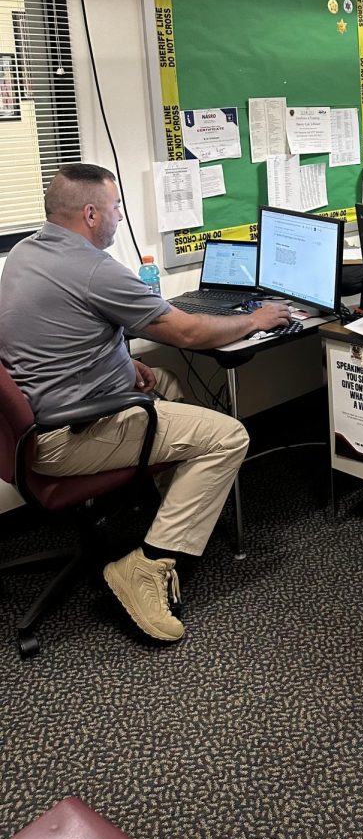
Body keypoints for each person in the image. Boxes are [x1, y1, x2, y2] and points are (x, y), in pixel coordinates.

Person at [0, 163, 294, 645]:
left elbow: (61, 331)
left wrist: (116, 366)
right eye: (116, 208)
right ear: (91, 214)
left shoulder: (27, 252)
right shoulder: (93, 269)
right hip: (67, 434)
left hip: (41, 414)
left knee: (168, 381)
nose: (119, 217)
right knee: (229, 436)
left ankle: (175, 515)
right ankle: (148, 566)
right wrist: (257, 318)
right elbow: (188, 331)